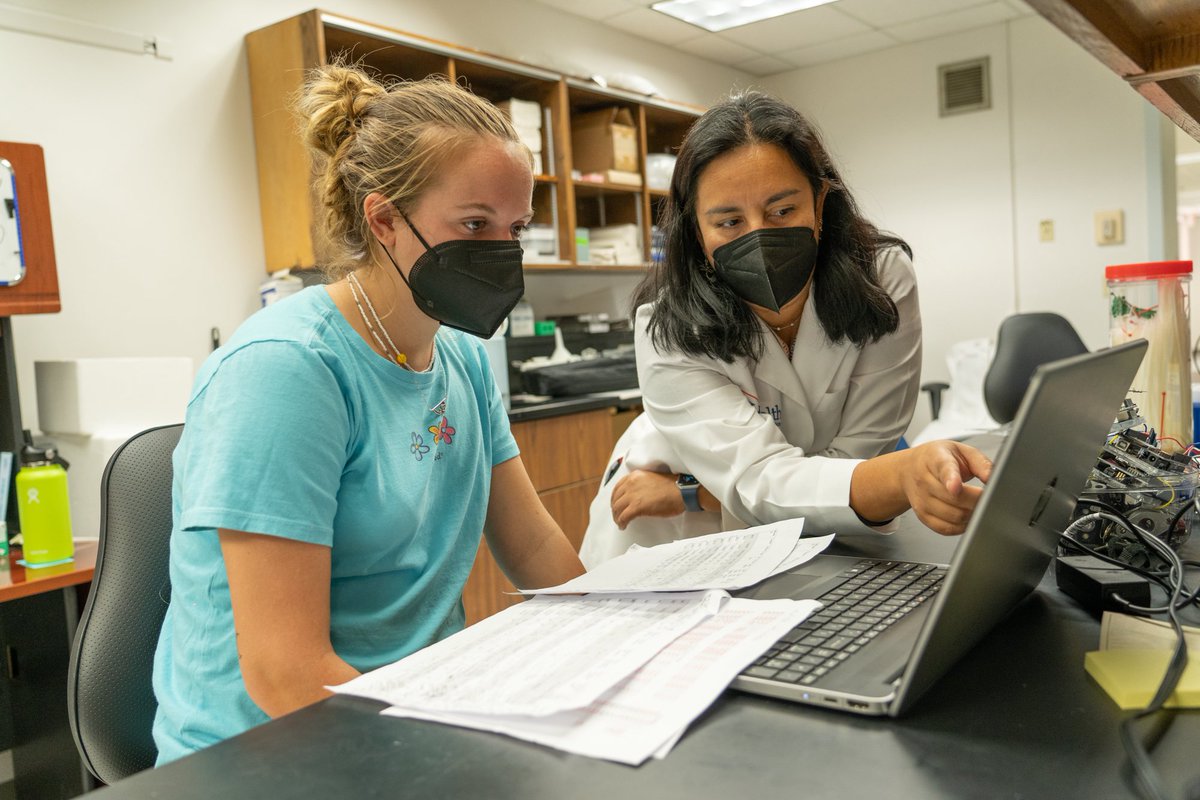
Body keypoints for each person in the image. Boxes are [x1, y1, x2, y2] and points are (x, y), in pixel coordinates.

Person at [152, 64, 585, 762]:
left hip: (417, 707)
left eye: (516, 228)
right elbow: (284, 673)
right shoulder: (286, 371)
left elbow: (535, 552)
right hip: (270, 750)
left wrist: (623, 646)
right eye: (475, 224)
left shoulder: (462, 360)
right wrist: (448, 755)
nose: (502, 252)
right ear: (384, 219)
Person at [579, 91, 992, 568]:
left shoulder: (882, 280)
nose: (759, 235)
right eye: (729, 221)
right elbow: (759, 479)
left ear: (819, 200)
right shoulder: (667, 328)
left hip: (794, 527)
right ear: (697, 231)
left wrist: (710, 494)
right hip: (667, 534)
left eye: (782, 211)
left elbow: (858, 457)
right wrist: (699, 496)